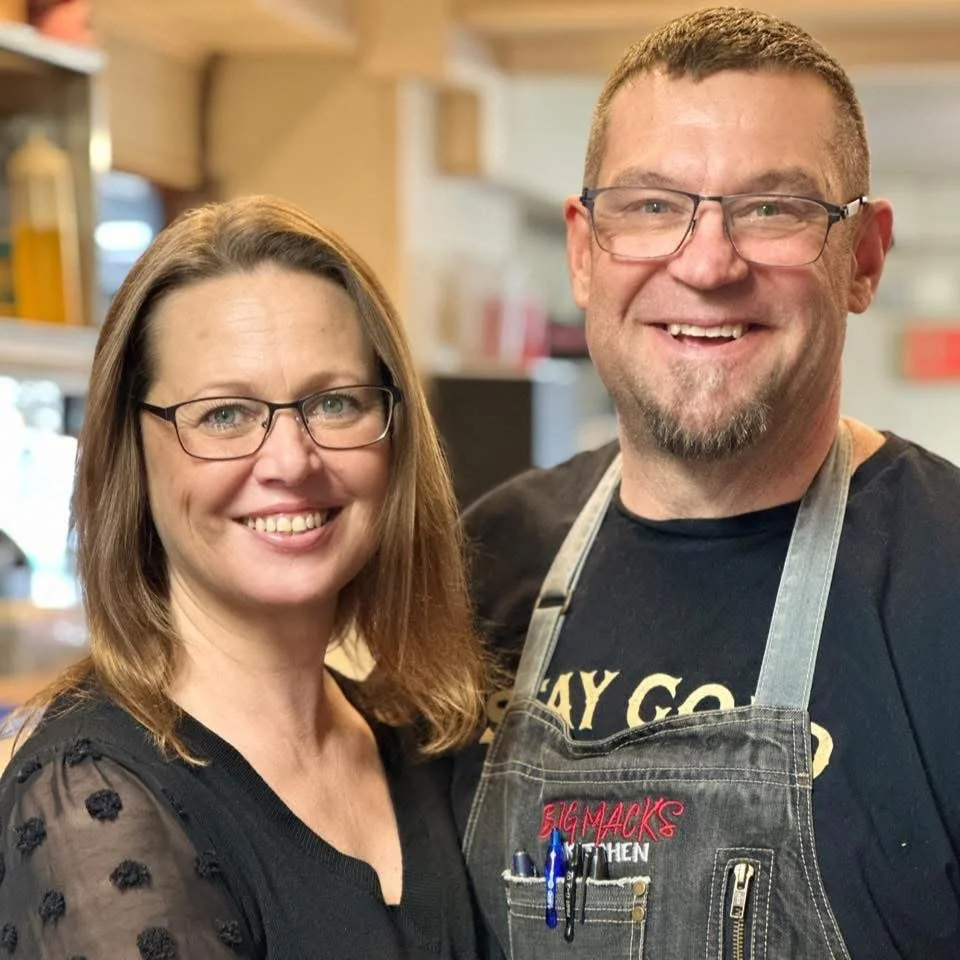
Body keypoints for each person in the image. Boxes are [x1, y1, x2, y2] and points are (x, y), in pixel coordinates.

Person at [452, 7, 960, 959]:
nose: (708, 261)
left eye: (775, 207)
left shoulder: (946, 581)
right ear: (583, 249)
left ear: (864, 255)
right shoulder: (485, 564)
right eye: (651, 205)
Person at [0, 195, 487, 959]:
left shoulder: (424, 747)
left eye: (334, 403)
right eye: (225, 415)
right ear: (134, 453)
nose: (291, 461)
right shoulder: (95, 796)